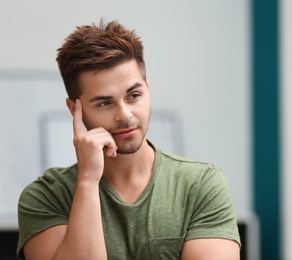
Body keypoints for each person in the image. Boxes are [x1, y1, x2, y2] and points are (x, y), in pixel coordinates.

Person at [16, 19, 241, 259]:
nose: (124, 115)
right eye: (104, 103)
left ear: (148, 88)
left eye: (134, 95)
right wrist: (88, 182)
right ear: (74, 109)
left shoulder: (200, 185)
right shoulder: (46, 196)